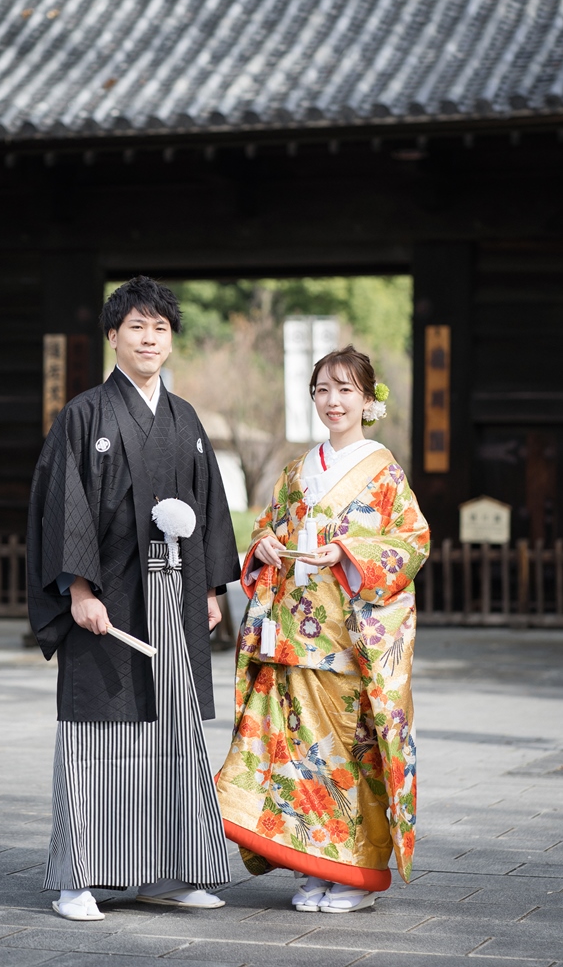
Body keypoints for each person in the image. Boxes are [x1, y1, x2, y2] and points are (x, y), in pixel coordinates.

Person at [27, 276, 240, 921]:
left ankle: (169, 873)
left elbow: (208, 503)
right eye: (137, 327)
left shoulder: (185, 418)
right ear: (113, 335)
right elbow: (62, 506)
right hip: (110, 597)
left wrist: (210, 589)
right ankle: (77, 881)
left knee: (174, 730)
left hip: (175, 592)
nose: (150, 339)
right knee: (99, 735)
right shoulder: (85, 414)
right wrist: (79, 590)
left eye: (161, 328)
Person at [216, 345, 429, 913]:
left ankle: (355, 874)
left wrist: (348, 552)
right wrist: (265, 545)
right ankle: (312, 866)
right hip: (291, 635)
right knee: (295, 756)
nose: (333, 401)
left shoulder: (384, 471)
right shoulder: (296, 470)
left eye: (345, 389)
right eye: (322, 390)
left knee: (345, 757)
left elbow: (411, 541)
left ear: (367, 399)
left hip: (346, 639)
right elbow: (269, 527)